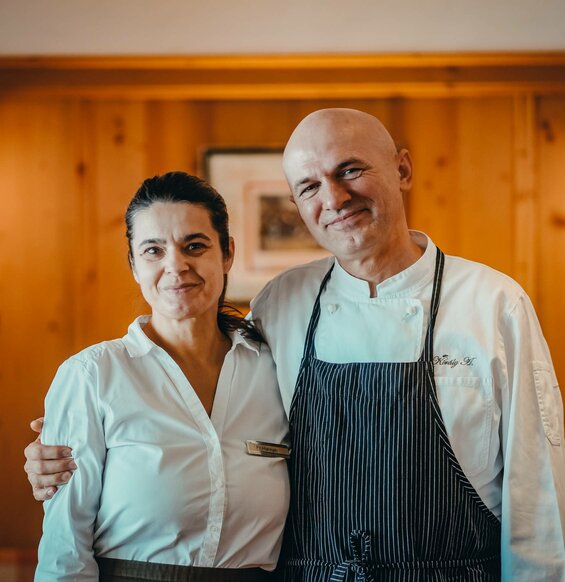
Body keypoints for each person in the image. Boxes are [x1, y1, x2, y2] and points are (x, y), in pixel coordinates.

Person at [26, 109, 565, 580]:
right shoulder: (284, 302)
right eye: (309, 186)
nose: (333, 198)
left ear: (402, 169)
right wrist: (55, 458)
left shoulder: (494, 302)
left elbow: (539, 492)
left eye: (350, 169)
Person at [31, 172, 290, 581]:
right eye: (153, 250)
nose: (176, 265)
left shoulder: (276, 369)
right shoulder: (92, 376)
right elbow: (66, 546)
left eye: (195, 246)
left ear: (227, 254)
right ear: (134, 264)